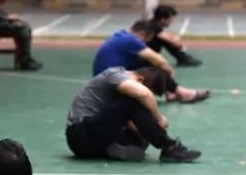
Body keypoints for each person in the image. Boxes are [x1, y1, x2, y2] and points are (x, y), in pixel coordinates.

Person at [66, 66, 201, 163]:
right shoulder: (114, 75)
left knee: (142, 134)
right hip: (80, 134)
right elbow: (143, 94)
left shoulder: (120, 96)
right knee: (133, 101)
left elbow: (133, 124)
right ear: (140, 80)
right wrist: (158, 118)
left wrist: (152, 129)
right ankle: (169, 147)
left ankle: (113, 150)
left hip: (95, 140)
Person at [93, 20, 209, 104]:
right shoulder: (131, 40)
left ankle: (170, 92)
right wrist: (169, 72)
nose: (144, 44)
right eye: (146, 41)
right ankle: (183, 93)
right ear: (143, 35)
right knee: (157, 65)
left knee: (147, 62)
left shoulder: (121, 35)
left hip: (103, 80)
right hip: (111, 84)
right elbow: (159, 60)